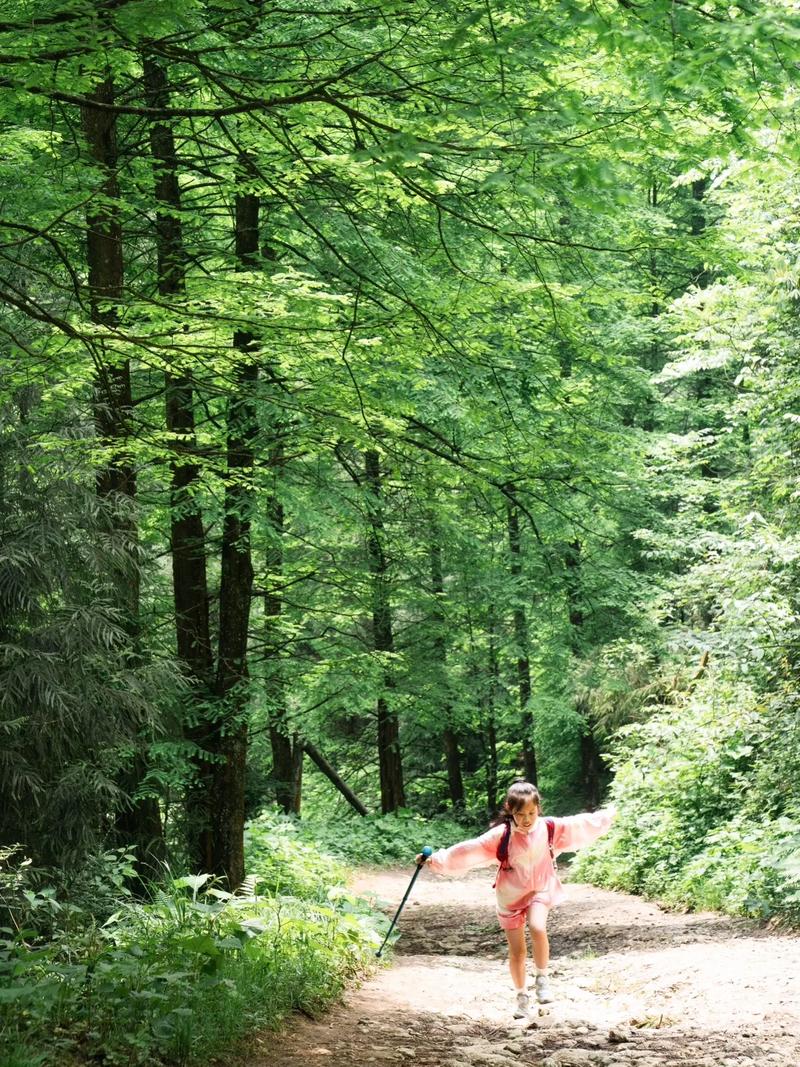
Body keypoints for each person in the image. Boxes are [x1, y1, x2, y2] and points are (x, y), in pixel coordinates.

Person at [416, 780, 615, 1018]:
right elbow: (468, 850)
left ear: (539, 808)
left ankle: (542, 979)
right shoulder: (502, 835)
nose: (528, 819)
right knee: (518, 951)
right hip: (510, 897)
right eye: (521, 814)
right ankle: (521, 996)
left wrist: (611, 814)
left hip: (541, 889)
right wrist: (434, 860)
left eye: (532, 812)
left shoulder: (550, 827)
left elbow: (582, 824)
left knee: (538, 926)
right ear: (510, 810)